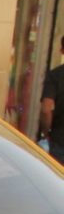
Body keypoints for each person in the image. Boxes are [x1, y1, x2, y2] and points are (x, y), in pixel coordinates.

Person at [40, 36, 64, 164]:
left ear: (62, 50)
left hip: (59, 142)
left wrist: (46, 132)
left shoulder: (55, 76)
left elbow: (46, 109)